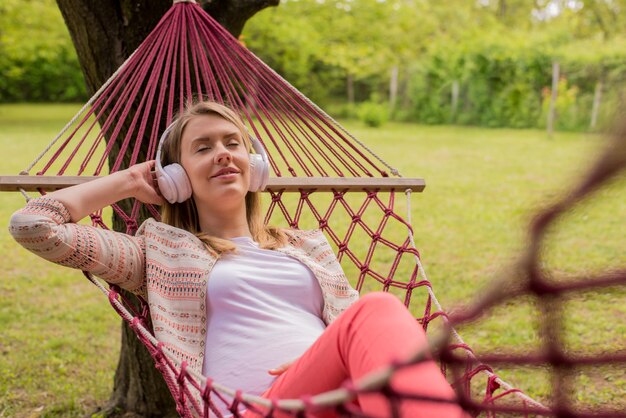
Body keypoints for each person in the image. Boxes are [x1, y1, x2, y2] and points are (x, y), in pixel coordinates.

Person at [9, 101, 465, 417]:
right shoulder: (159, 253)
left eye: (232, 142)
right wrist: (127, 180)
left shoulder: (307, 245)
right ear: (175, 178)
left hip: (335, 394)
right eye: (203, 147)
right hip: (255, 406)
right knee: (380, 307)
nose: (223, 154)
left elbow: (353, 331)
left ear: (254, 165)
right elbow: (35, 228)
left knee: (380, 330)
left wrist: (323, 359)